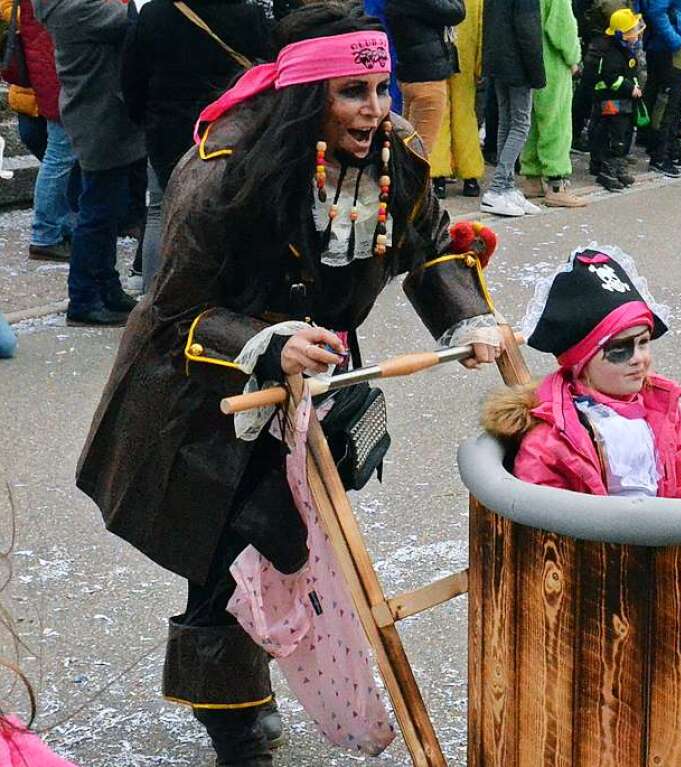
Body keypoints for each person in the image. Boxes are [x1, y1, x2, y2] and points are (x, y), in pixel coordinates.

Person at [76, 4, 502, 765]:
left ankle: (261, 663)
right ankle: (235, 719)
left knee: (290, 539)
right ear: (308, 94)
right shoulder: (221, 169)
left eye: (381, 86)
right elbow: (172, 312)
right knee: (228, 552)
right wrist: (264, 344)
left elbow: (430, 243)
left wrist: (465, 322)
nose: (375, 109)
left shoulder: (394, 150)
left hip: (317, 378)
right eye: (352, 91)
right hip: (205, 390)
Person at [482, 245, 681, 499]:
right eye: (620, 349)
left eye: (643, 343)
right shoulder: (552, 436)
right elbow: (547, 513)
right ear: (581, 361)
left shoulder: (662, 408)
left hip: (672, 532)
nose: (639, 359)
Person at [122, 0, 272, 294]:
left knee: (160, 211)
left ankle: (155, 296)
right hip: (226, 128)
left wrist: (145, 118)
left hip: (166, 129)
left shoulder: (155, 11)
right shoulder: (246, 14)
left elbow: (131, 75)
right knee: (224, 211)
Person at [38, 0, 146, 327]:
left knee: (107, 211)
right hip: (99, 119)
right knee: (97, 214)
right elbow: (133, 18)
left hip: (103, 117)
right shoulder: (73, 8)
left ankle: (107, 286)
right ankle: (83, 298)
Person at [1, 0, 76, 264]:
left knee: (61, 155)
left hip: (47, 66)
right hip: (55, 70)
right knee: (60, 154)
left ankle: (60, 226)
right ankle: (46, 234)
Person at [520, 0, 589, 208]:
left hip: (528, 60)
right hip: (552, 63)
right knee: (556, 123)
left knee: (532, 122)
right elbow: (561, 26)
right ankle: (557, 183)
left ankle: (531, 177)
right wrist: (574, 57)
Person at [480, 0, 546, 216]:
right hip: (519, 63)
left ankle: (507, 187)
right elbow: (529, 29)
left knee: (506, 123)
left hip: (498, 59)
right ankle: (498, 188)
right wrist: (537, 73)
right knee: (520, 125)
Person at [385, 0, 466, 155]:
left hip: (411, 75)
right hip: (428, 78)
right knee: (420, 155)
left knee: (407, 147)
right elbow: (456, 12)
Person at [428, 0, 486, 199]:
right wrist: (480, 66)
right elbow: (480, 29)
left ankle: (438, 176)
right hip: (465, 57)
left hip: (437, 54)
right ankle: (470, 177)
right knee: (465, 115)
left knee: (440, 113)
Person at [584, 8, 645, 190]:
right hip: (612, 102)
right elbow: (611, 78)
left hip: (623, 103)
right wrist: (630, 88)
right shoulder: (612, 53)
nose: (637, 34)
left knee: (624, 134)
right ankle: (606, 169)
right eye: (633, 31)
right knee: (613, 137)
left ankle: (617, 167)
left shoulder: (625, 52)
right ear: (621, 35)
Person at [640, 0, 681, 176]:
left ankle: (671, 148)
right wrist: (676, 42)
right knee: (666, 102)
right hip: (671, 47)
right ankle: (659, 154)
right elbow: (656, 12)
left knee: (678, 100)